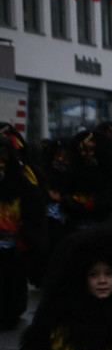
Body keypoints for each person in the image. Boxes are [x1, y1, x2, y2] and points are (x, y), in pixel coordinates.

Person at [0, 126, 46, 330]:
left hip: (13, 252)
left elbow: (35, 220)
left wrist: (26, 240)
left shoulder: (24, 187)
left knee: (11, 292)